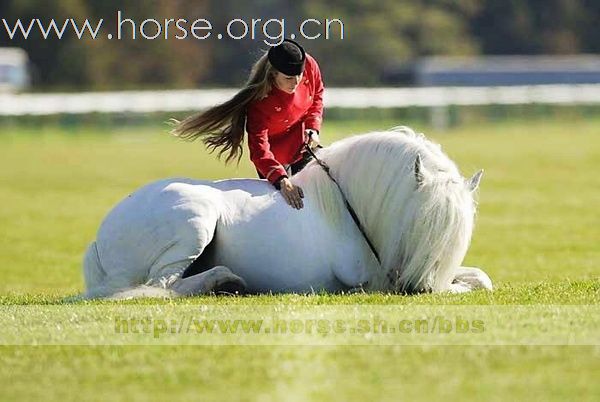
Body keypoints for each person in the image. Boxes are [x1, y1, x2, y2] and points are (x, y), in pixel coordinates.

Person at [171, 39, 324, 210]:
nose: (296, 82)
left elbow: (317, 94)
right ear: (273, 74)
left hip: (302, 143)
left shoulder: (309, 64)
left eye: (299, 76)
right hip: (273, 158)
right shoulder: (259, 103)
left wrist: (313, 127)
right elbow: (260, 151)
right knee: (283, 206)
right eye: (288, 78)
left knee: (317, 199)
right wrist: (281, 180)